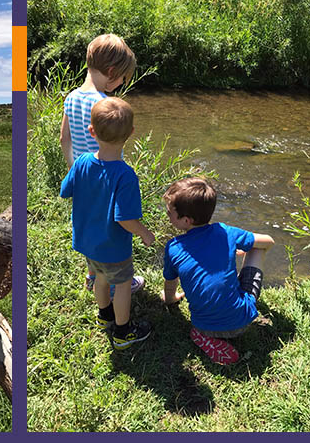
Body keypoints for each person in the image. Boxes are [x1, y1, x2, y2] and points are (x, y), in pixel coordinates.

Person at [60, 97, 155, 350]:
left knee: (100, 277)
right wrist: (144, 232)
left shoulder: (81, 162)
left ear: (92, 131)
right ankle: (123, 333)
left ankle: (105, 316)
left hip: (87, 243)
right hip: (113, 248)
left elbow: (64, 190)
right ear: (131, 133)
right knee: (122, 285)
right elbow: (124, 219)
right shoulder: (125, 175)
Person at [59, 34, 144, 297]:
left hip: (83, 174)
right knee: (109, 229)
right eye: (121, 79)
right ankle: (118, 278)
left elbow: (64, 139)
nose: (120, 85)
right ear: (111, 72)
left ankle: (91, 275)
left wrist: (74, 169)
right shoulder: (104, 104)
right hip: (106, 177)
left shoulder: (71, 97)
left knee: (87, 224)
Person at [160, 177, 275, 365]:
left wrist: (170, 298)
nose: (167, 214)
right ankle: (234, 298)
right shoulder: (226, 232)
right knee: (257, 247)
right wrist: (246, 250)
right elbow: (269, 241)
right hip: (243, 320)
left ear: (186, 220)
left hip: (203, 326)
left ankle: (202, 337)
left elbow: (170, 281)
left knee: (203, 315)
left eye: (170, 213)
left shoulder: (174, 248)